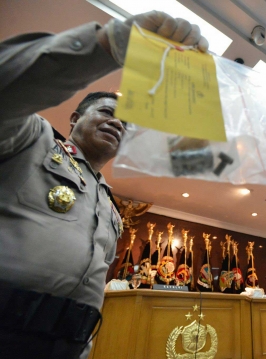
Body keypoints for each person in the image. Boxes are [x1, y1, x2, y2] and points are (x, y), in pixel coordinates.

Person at [0, 11, 208, 359]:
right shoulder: (31, 141)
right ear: (74, 118)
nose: (118, 124)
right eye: (107, 112)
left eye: (125, 122)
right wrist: (109, 42)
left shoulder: (109, 205)